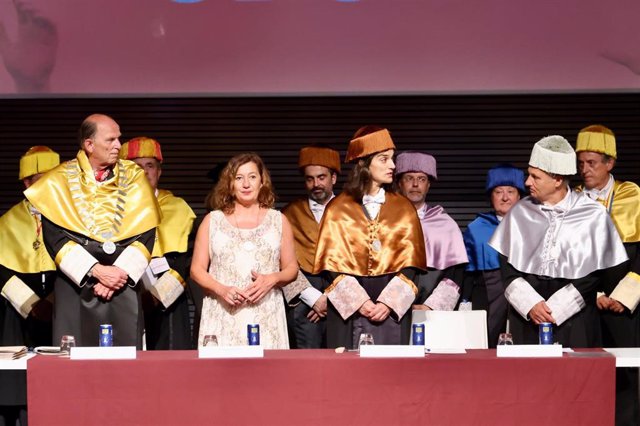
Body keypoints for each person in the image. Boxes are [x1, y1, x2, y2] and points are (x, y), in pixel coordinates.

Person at [24, 114, 161, 348]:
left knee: (125, 361)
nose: (118, 145)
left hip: (121, 283)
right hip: (76, 284)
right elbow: (55, 237)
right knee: (74, 363)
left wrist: (119, 273)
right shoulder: (58, 180)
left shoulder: (134, 176)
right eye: (111, 140)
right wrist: (96, 271)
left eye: (119, 139)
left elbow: (146, 232)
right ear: (89, 145)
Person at [489, 135, 627, 347]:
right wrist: (530, 304)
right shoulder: (519, 212)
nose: (527, 182)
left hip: (576, 317)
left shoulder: (593, 214)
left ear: (557, 180)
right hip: (527, 316)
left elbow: (596, 274)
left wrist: (559, 307)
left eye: (535, 177)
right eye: (529, 175)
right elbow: (507, 269)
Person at [313, 127, 426, 349]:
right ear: (364, 164)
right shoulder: (337, 209)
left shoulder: (404, 208)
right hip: (349, 310)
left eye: (392, 159)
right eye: (384, 159)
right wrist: (359, 301)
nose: (392, 166)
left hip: (391, 304)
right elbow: (330, 266)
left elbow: (412, 265)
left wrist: (388, 302)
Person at [191, 153, 298, 348]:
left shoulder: (278, 220)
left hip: (266, 312)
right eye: (239, 178)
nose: (246, 184)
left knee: (268, 374)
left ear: (262, 181)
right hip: (222, 313)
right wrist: (221, 289)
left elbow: (292, 268)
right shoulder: (212, 220)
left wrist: (272, 279)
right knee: (220, 375)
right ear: (230, 184)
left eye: (252, 177)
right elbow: (196, 270)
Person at [574, 124, 640, 426]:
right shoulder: (572, 199)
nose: (585, 170)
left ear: (610, 163)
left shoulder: (633, 195)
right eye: (581, 163)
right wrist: (596, 293)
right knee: (586, 372)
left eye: (592, 163)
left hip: (628, 302)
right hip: (586, 300)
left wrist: (624, 296)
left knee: (628, 374)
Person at [0, 146, 58, 426]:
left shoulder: (71, 218)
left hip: (61, 305)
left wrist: (56, 300)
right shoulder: (6, 222)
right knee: (17, 382)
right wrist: (31, 304)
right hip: (19, 307)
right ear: (26, 183)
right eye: (40, 178)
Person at [120, 137, 196, 350]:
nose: (144, 172)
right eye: (136, 167)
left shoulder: (178, 208)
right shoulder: (111, 212)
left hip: (168, 302)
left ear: (159, 172)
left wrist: (156, 297)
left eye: (150, 166)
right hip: (124, 300)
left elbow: (187, 259)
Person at [394, 151, 468, 312]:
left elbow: (455, 274)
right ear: (399, 183)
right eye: (409, 178)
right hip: (390, 310)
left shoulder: (446, 225)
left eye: (421, 179)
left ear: (428, 185)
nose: (415, 184)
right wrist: (392, 305)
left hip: (431, 311)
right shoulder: (384, 223)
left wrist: (431, 306)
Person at [282, 146, 339, 348]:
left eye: (322, 177)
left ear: (333, 178)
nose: (316, 184)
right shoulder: (289, 214)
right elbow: (280, 262)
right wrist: (315, 298)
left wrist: (331, 300)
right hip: (305, 303)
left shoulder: (353, 212)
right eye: (309, 179)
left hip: (344, 301)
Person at [462, 164, 526, 347]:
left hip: (525, 291)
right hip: (488, 293)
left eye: (510, 191)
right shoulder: (476, 228)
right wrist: (465, 301)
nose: (505, 197)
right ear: (491, 196)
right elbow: (467, 271)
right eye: (498, 192)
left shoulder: (531, 225)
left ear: (519, 195)